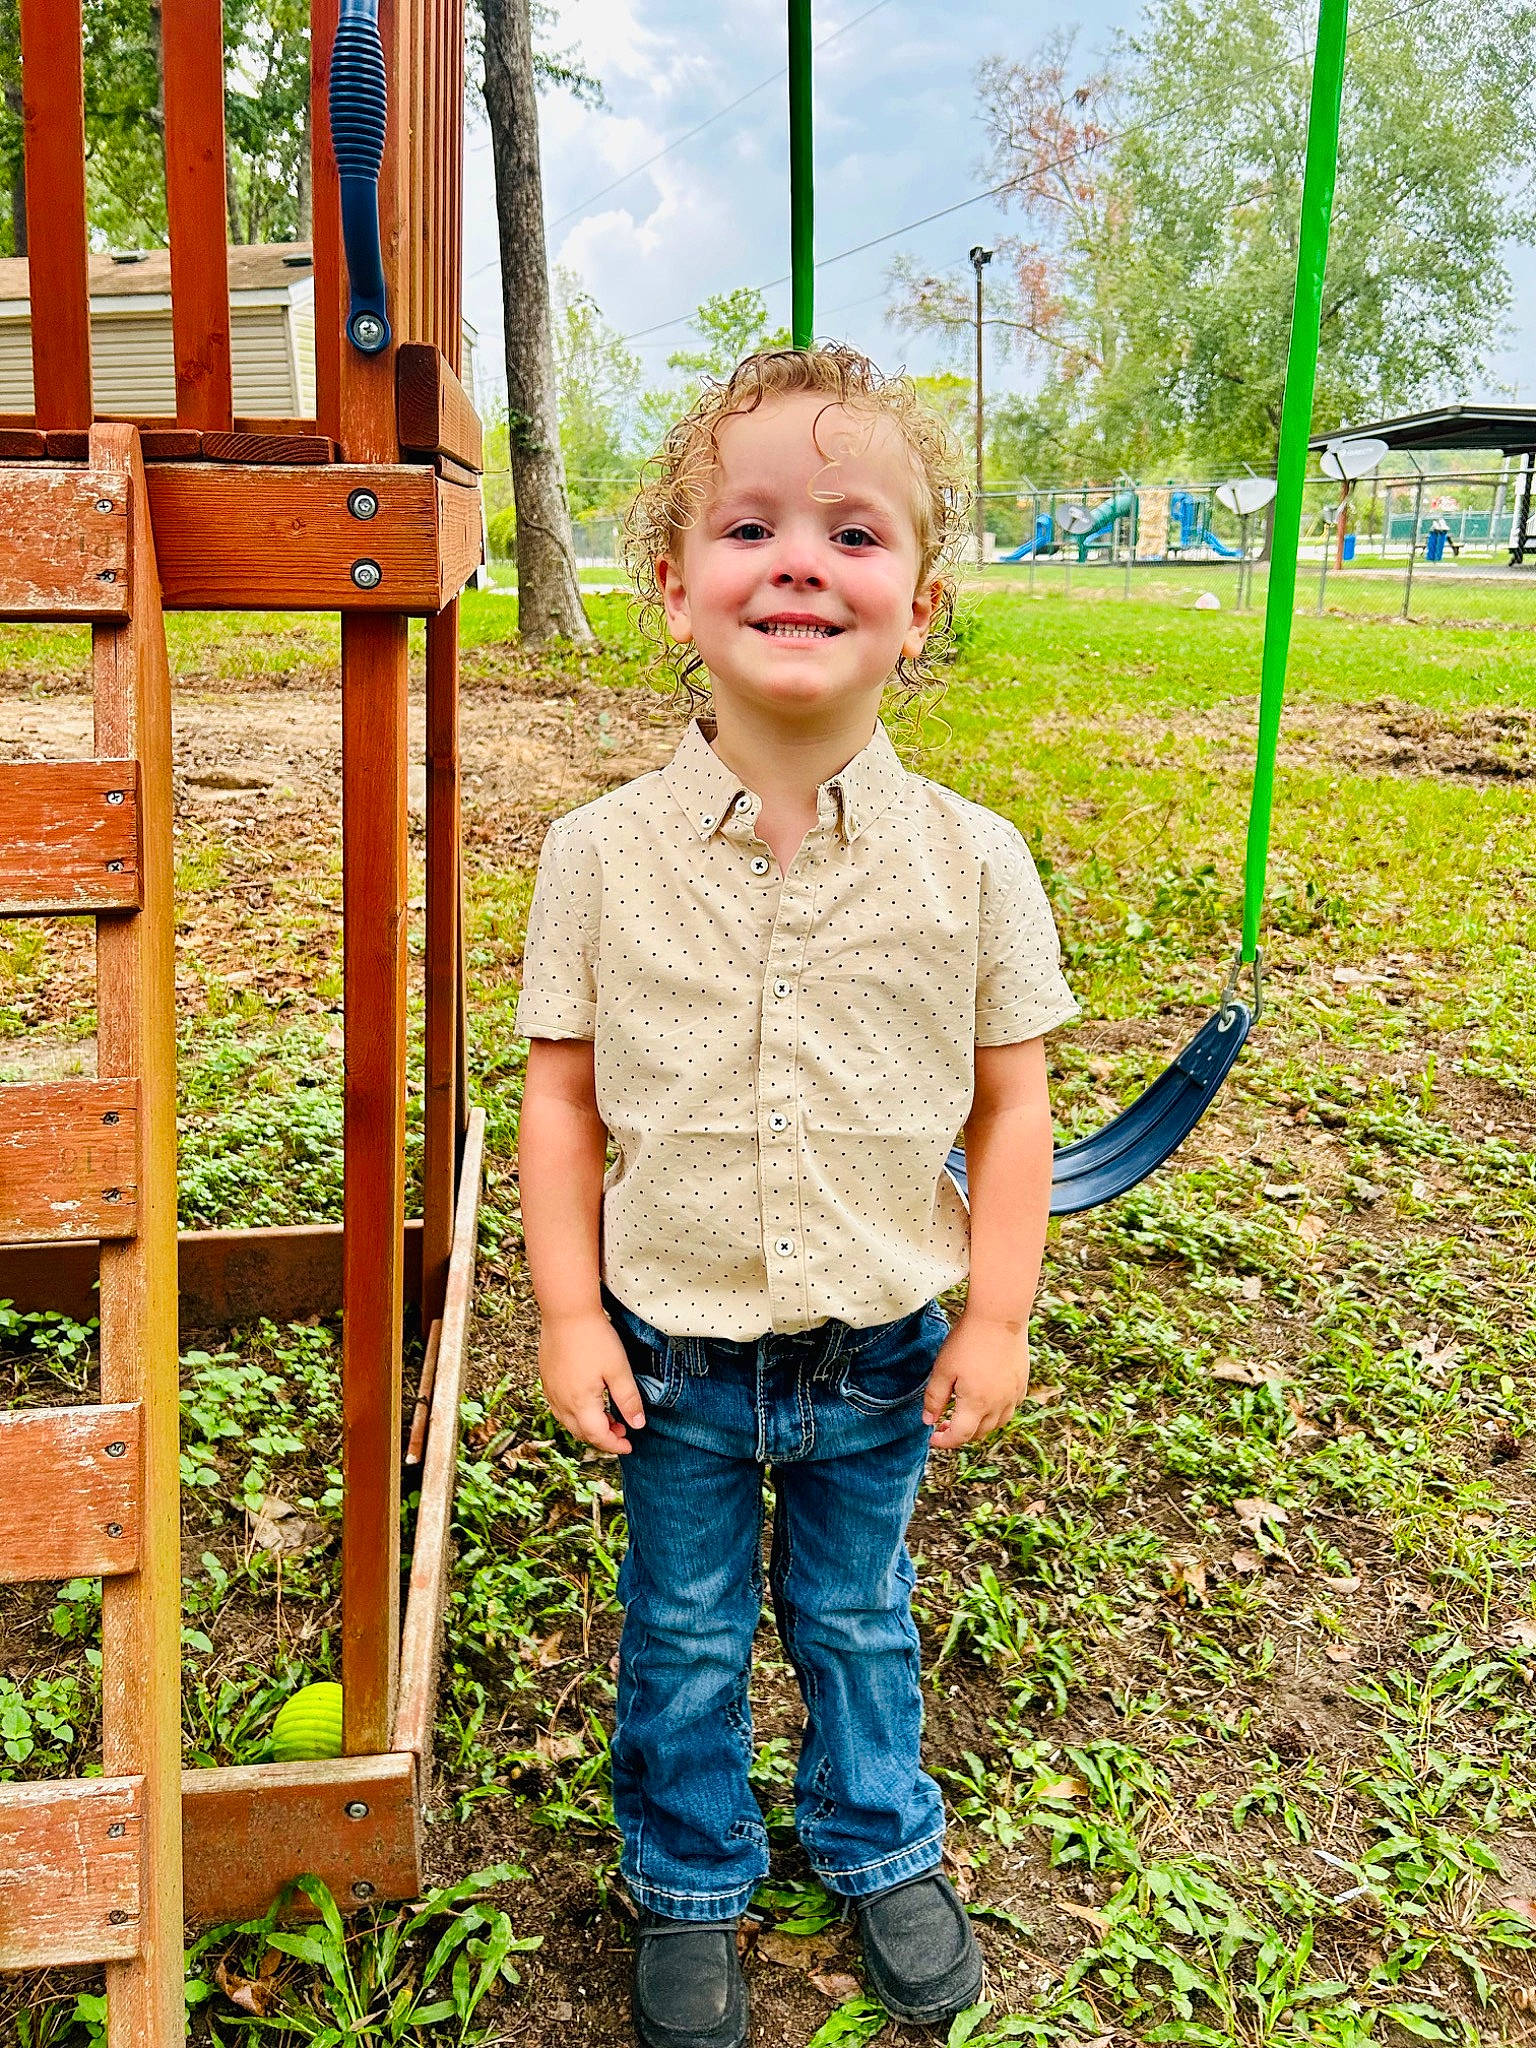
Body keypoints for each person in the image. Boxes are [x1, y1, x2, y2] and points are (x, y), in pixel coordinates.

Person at [515, 345, 1077, 2048]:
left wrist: (997, 1315)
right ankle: (692, 1878)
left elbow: (1014, 1102)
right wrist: (563, 1310)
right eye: (750, 526)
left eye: (854, 532)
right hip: (671, 1351)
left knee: (855, 1616)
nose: (801, 565)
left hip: (878, 1348)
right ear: (672, 584)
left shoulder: (976, 859)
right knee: (682, 1634)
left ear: (921, 606)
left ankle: (876, 1835)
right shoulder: (596, 855)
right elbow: (560, 1101)